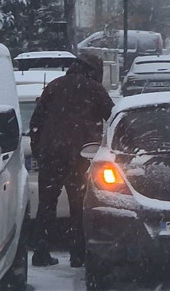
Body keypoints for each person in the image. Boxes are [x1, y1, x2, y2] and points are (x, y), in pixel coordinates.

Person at [29, 52, 114, 267]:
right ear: (94, 71)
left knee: (47, 204)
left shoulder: (55, 86)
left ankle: (40, 250)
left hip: (51, 154)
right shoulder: (95, 89)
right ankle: (78, 254)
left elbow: (36, 121)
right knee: (79, 206)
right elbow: (113, 118)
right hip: (82, 155)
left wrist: (39, 149)